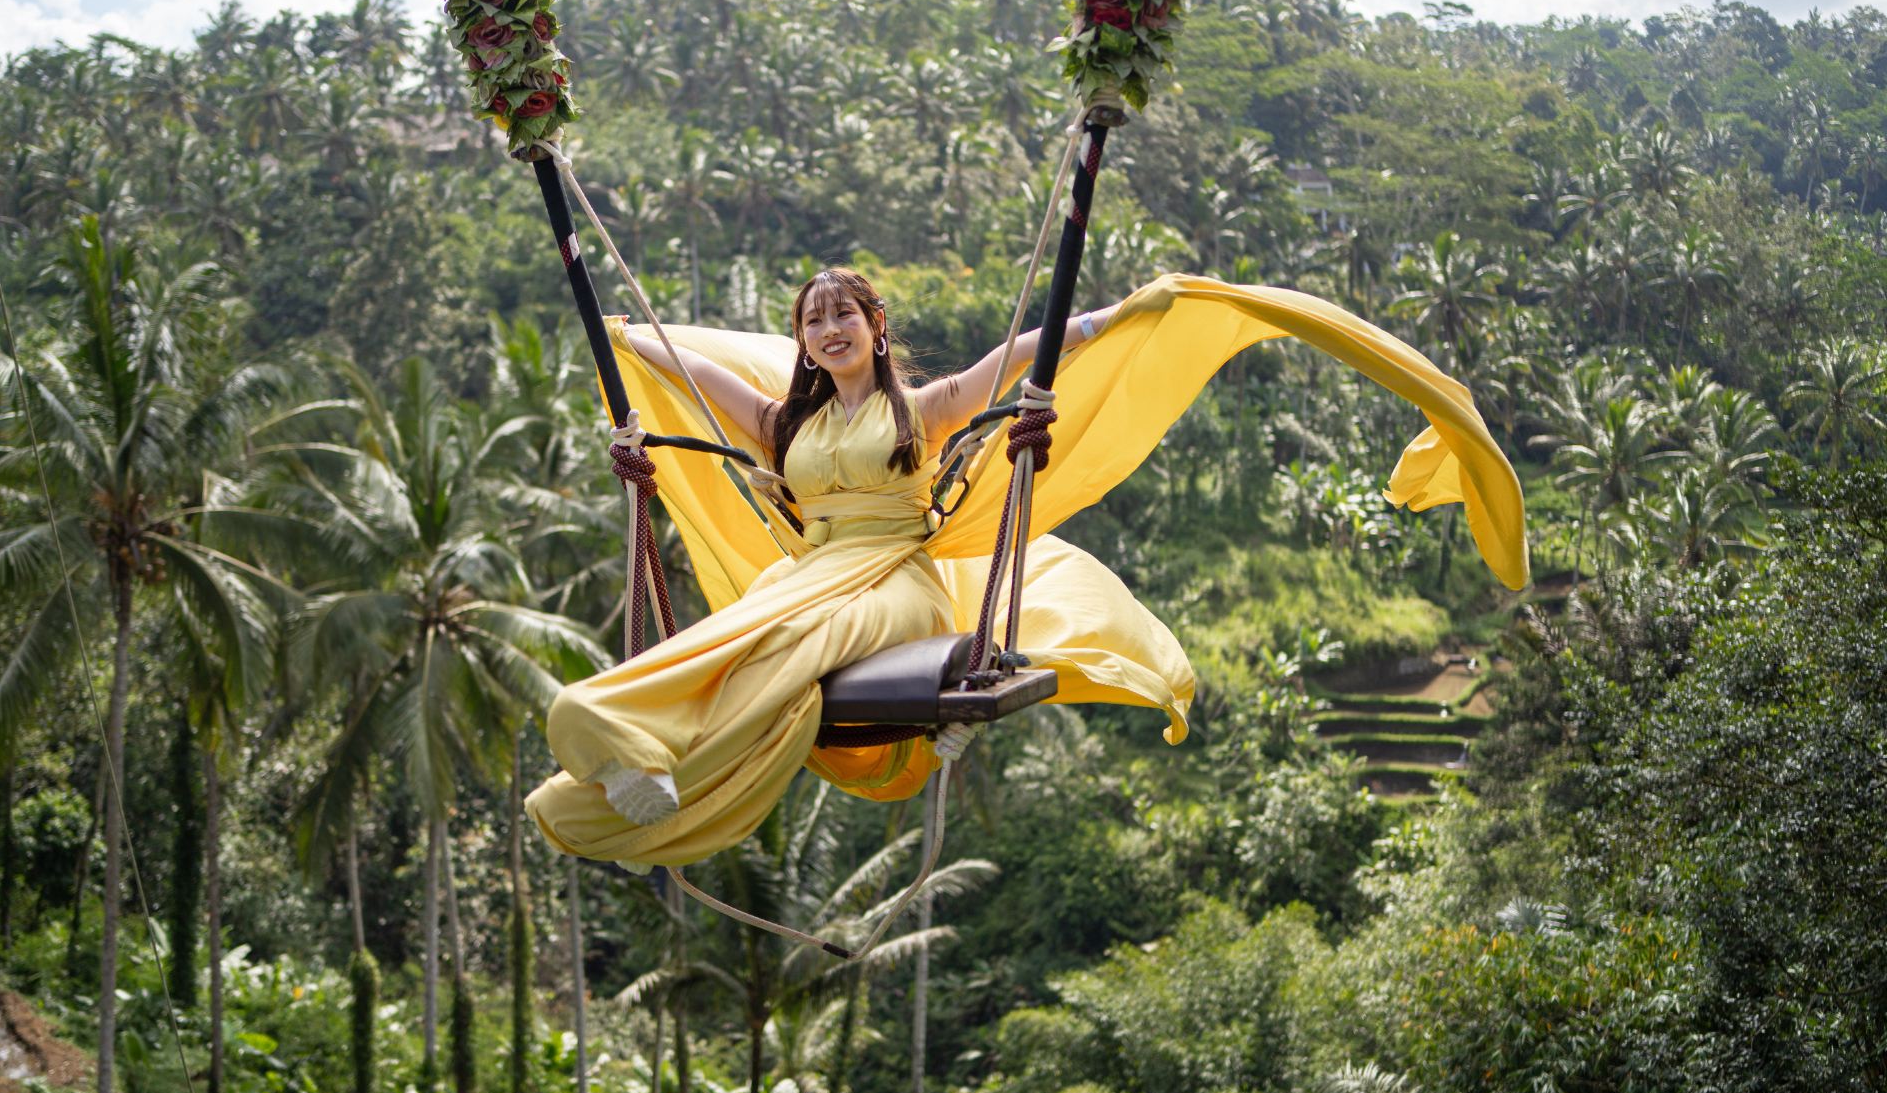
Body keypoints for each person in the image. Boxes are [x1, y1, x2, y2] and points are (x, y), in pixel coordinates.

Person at [526, 267, 1530, 869]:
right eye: (810, 320)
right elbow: (693, 377)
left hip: (891, 577)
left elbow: (1003, 363)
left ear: (875, 329)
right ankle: (624, 740)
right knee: (733, 638)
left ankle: (652, 758)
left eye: (844, 316)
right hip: (803, 567)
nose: (827, 330)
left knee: (799, 650)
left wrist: (1101, 325)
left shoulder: (915, 412)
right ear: (800, 341)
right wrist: (614, 337)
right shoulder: (781, 420)